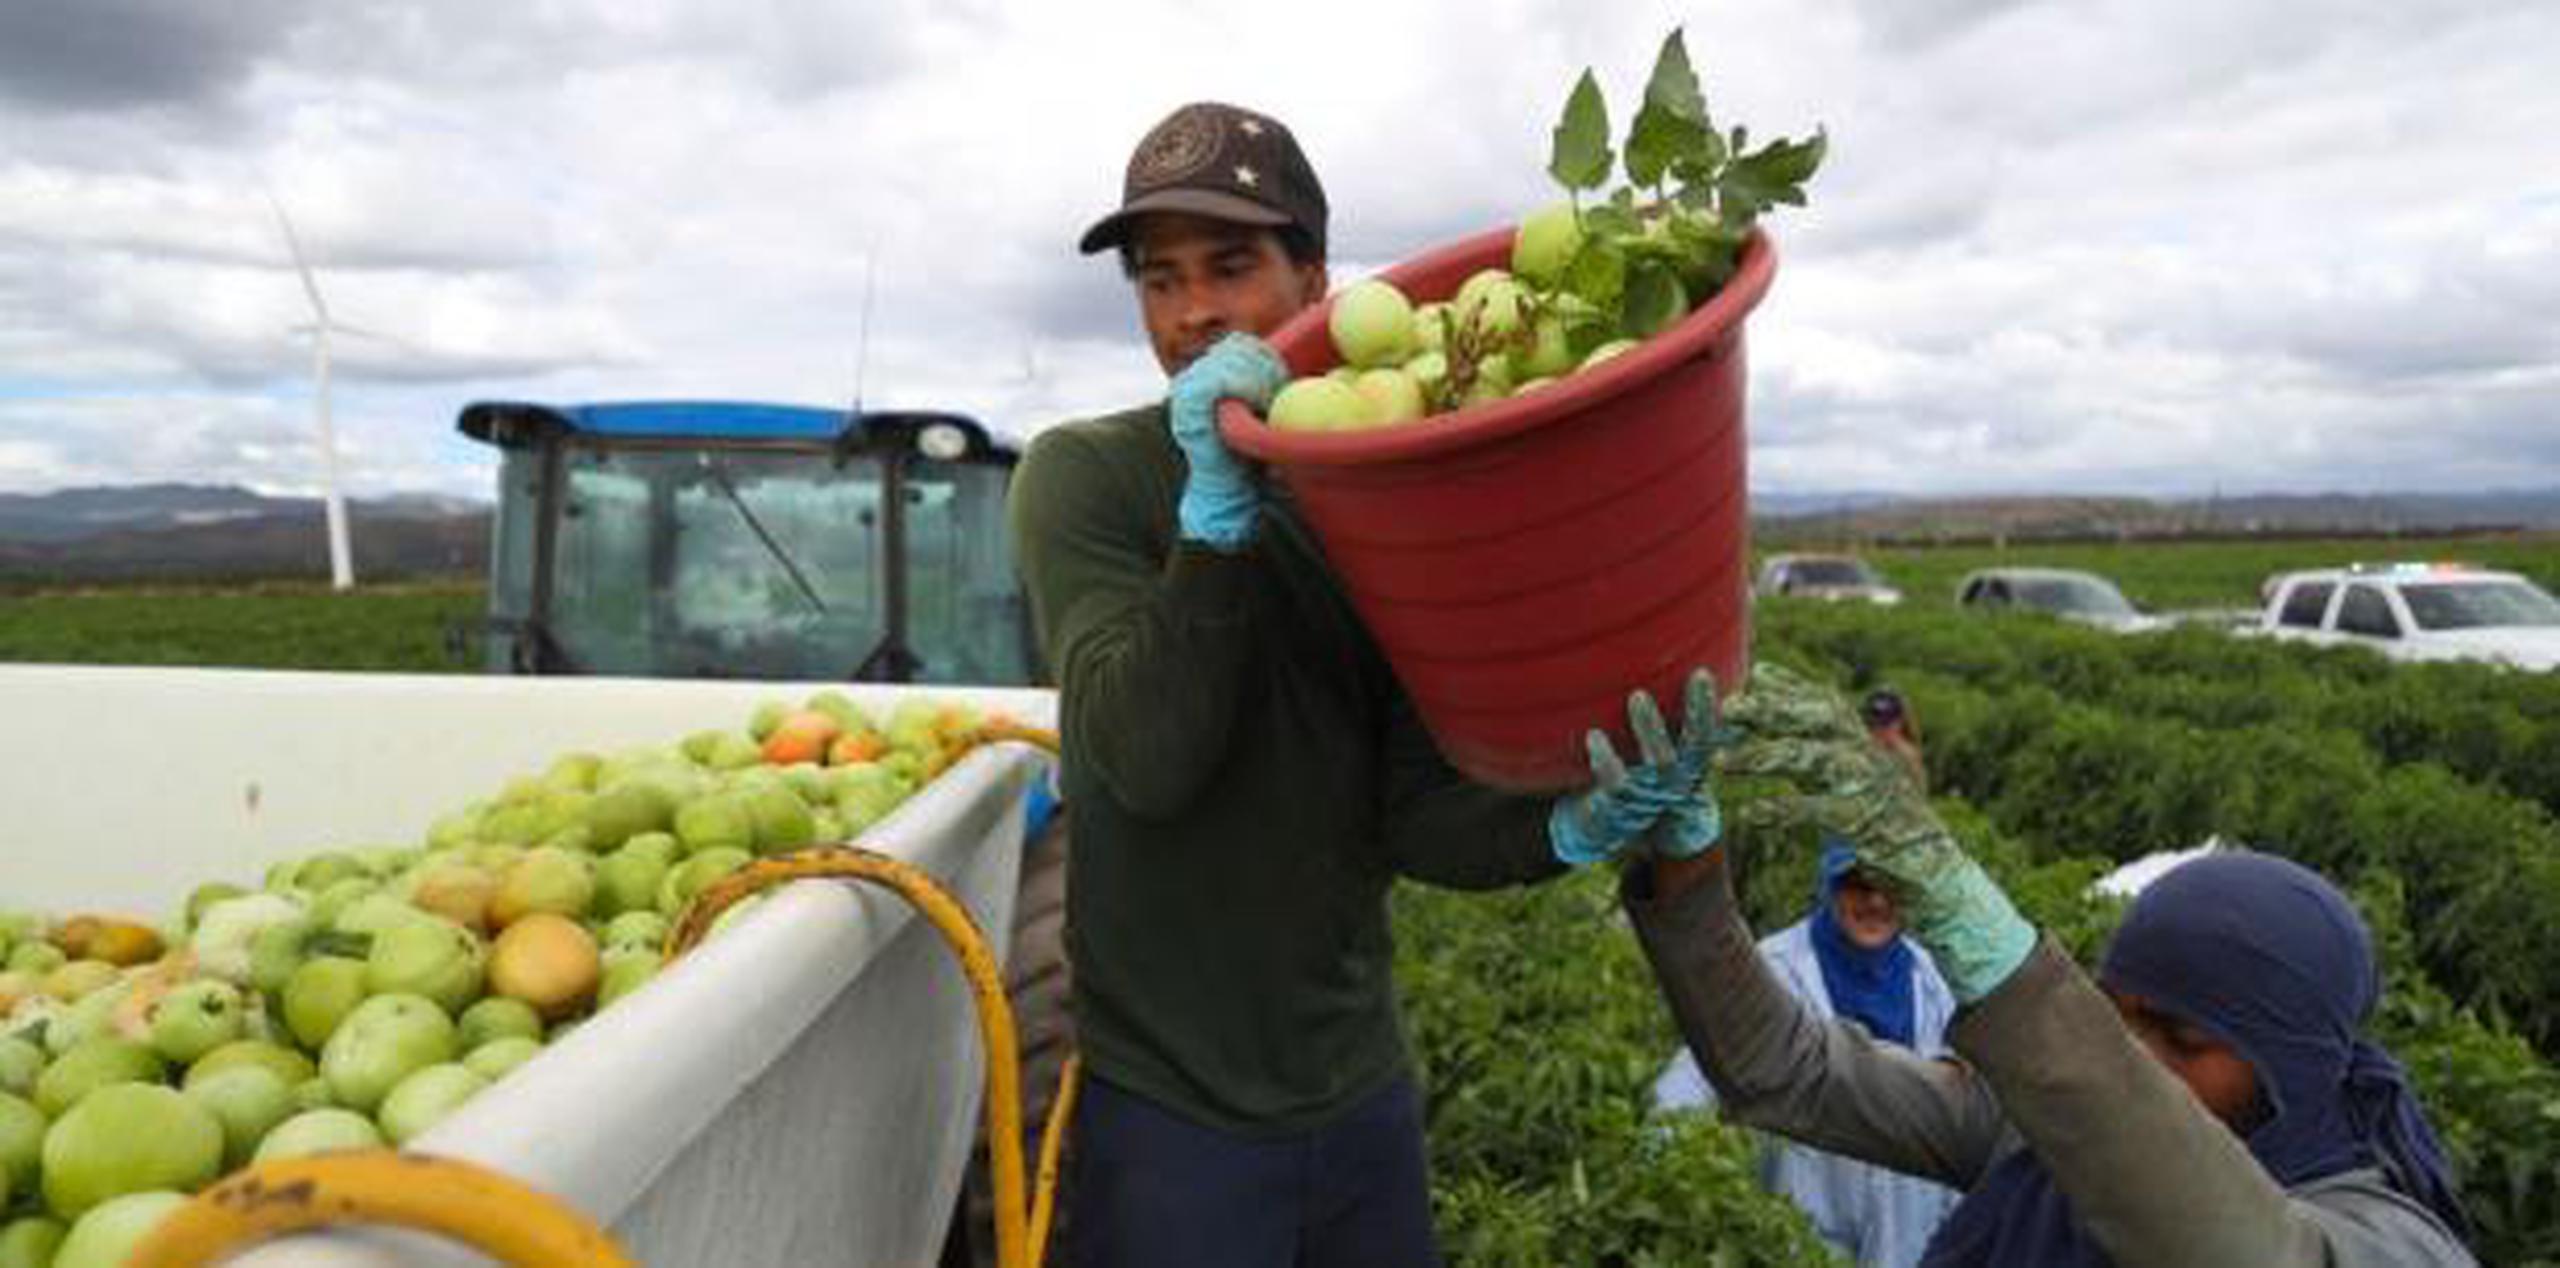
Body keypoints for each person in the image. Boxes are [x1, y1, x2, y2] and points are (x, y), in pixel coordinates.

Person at [1004, 100, 1721, 1268]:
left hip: (1358, 1097)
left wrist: (1572, 821)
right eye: (1160, 279)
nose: (1192, 315)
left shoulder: (1380, 505)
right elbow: (1144, 758)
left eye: (1231, 266)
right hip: (1174, 1119)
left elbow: (1410, 816)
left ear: (1314, 281)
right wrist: (1214, 518)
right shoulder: (1085, 479)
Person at [1618, 662, 2475, 1267]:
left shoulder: (2383, 1237)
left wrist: (1999, 956)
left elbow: (2229, 1243)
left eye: (2180, 1035)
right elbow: (1784, 1070)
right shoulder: (2038, 1134)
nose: (2134, 1054)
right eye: (2115, 1013)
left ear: (2290, 1061)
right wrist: (1688, 875)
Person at [1652, 838, 1960, 1267]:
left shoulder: (1935, 981)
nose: (1874, 900)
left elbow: (1964, 1115)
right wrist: (1662, 1160)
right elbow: (1694, 1074)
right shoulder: (1774, 969)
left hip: (1911, 1236)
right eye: (1856, 884)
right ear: (1828, 885)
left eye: (1889, 884)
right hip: (1803, 1228)